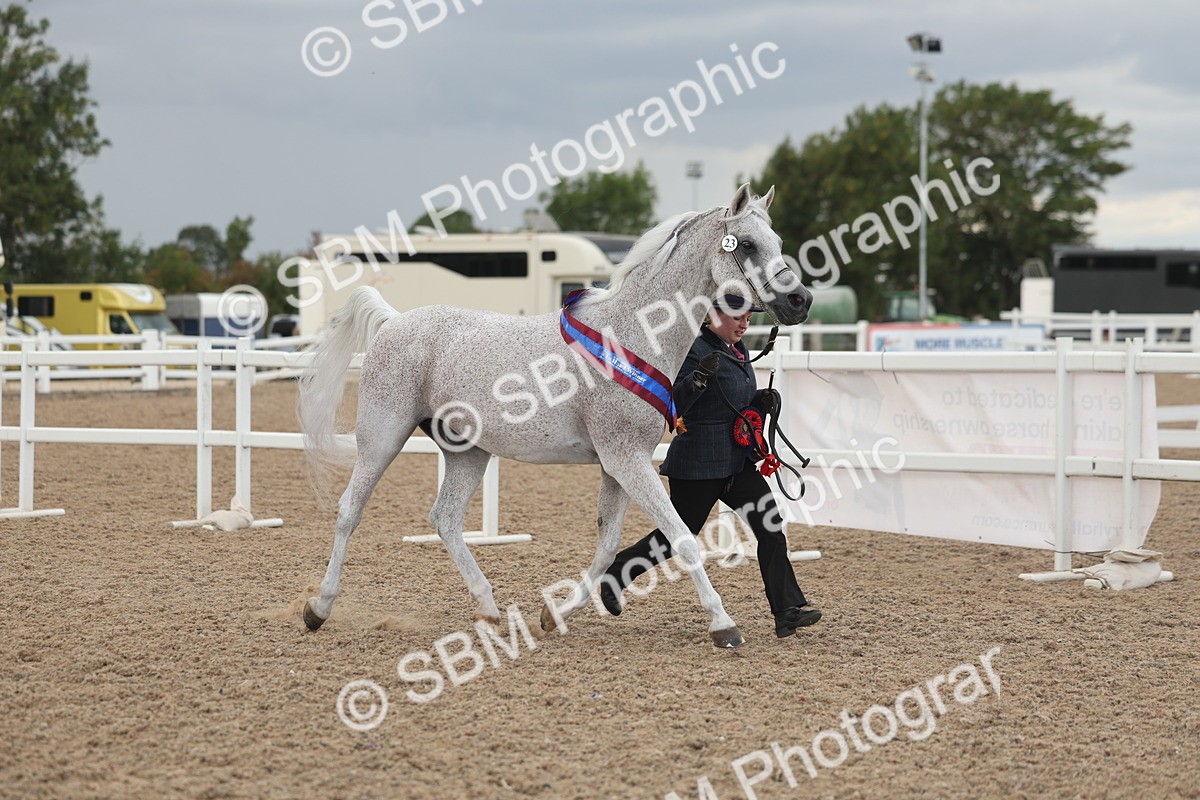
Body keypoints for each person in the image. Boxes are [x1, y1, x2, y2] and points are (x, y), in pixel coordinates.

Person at [599, 295, 822, 638]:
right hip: (699, 462)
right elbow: (675, 407)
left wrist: (759, 403)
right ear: (711, 316)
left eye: (748, 317)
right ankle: (619, 570)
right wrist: (697, 379)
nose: (745, 323)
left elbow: (733, 398)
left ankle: (787, 610)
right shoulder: (691, 349)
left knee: (771, 526)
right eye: (738, 317)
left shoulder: (739, 350)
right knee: (677, 536)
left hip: (737, 462)